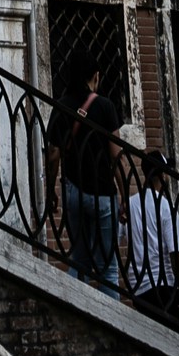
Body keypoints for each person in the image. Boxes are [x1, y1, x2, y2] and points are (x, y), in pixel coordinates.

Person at [52, 63, 124, 288]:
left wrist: (48, 193)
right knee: (108, 269)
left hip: (74, 190)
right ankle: (110, 322)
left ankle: (74, 312)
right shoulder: (105, 106)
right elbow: (116, 155)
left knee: (79, 260)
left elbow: (53, 154)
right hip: (103, 193)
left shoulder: (62, 105)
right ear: (96, 76)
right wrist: (124, 196)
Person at [120, 153, 179, 323]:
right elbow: (176, 254)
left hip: (138, 290)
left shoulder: (130, 205)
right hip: (164, 287)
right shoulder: (166, 207)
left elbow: (115, 239)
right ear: (162, 174)